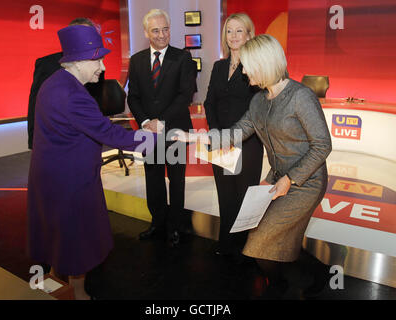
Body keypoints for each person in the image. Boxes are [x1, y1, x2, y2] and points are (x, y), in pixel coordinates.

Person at [174, 34, 332, 297]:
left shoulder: (300, 97)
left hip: (306, 182)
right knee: (272, 235)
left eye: (247, 65)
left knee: (259, 241)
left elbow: (322, 145)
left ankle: (286, 283)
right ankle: (308, 274)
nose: (243, 71)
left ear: (263, 63)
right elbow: (236, 132)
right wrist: (194, 137)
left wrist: (290, 179)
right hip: (277, 178)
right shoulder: (258, 100)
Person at [27, 25, 158, 300]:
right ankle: (78, 294)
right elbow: (109, 133)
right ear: (79, 61)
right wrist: (156, 140)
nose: (102, 66)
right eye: (97, 59)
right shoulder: (74, 96)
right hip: (72, 182)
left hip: (50, 178)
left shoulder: (54, 82)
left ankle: (54, 282)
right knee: (77, 240)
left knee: (57, 234)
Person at [127, 9, 197, 247]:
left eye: (165, 29)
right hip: (149, 132)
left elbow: (185, 95)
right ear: (147, 32)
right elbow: (133, 97)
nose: (162, 34)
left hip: (175, 129)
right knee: (153, 178)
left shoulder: (183, 58)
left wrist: (162, 121)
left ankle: (174, 226)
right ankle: (157, 222)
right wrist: (146, 122)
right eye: (156, 30)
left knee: (176, 180)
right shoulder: (136, 61)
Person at [203, 13, 263, 263]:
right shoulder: (218, 66)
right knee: (225, 194)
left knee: (244, 196)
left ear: (250, 35)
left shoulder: (257, 67)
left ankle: (247, 246)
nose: (234, 36)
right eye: (229, 31)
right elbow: (209, 102)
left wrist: (233, 135)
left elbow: (257, 107)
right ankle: (226, 241)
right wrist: (216, 131)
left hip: (246, 141)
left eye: (240, 31)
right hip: (219, 141)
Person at [27, 17, 104, 150]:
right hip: (56, 141)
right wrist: (34, 142)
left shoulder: (96, 65)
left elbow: (96, 101)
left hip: (86, 138)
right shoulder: (46, 65)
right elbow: (35, 104)